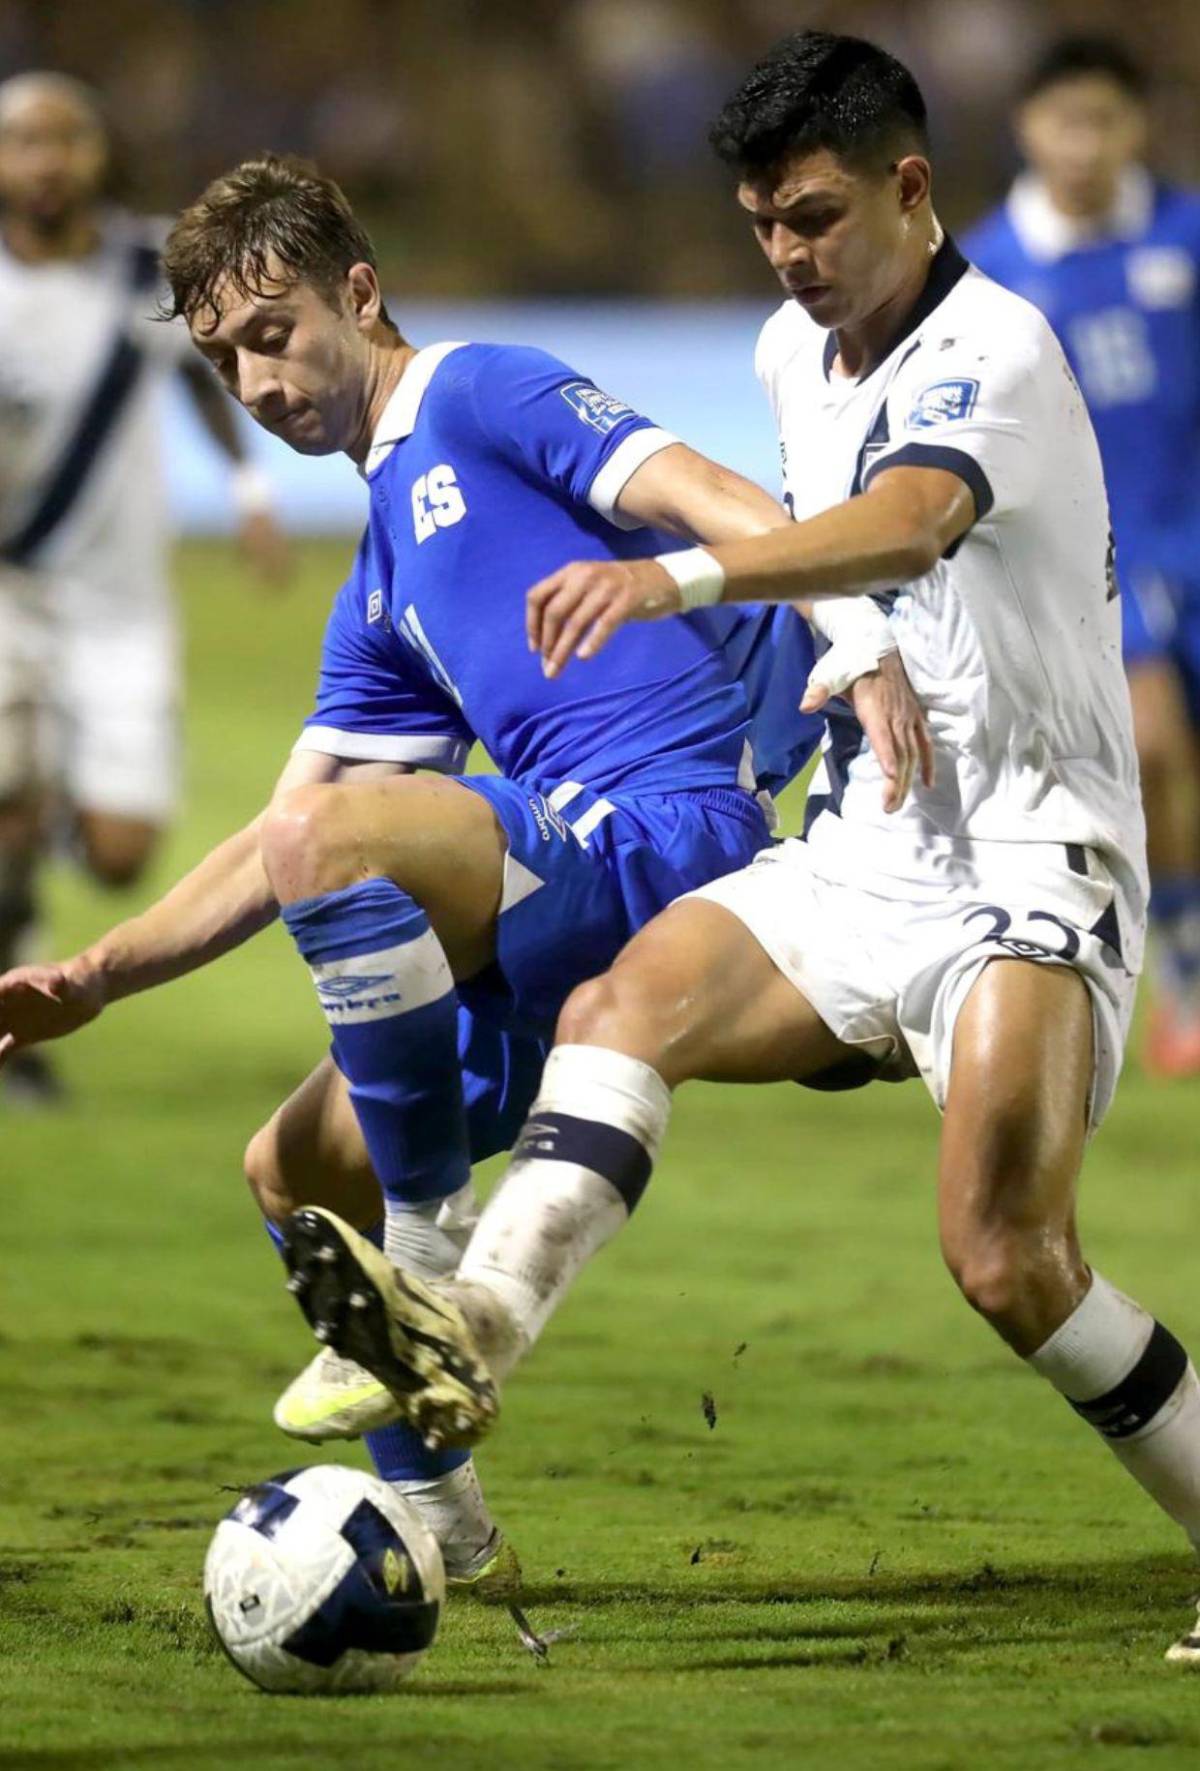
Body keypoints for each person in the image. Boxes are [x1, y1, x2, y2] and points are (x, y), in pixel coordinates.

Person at [282, 32, 1200, 1666]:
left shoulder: (995, 345)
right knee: (619, 1008)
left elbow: (911, 518)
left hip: (1037, 853)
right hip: (862, 847)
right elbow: (846, 562)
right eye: (764, 224)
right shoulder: (793, 350)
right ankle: (475, 1323)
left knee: (1007, 1259)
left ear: (911, 189)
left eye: (818, 217)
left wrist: (682, 583)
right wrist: (857, 661)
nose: (788, 256)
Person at [0, 153, 925, 1596]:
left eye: (273, 332)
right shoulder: (377, 579)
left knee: (343, 870)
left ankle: (427, 1265)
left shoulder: (480, 394)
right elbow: (278, 836)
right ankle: (452, 1537)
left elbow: (718, 492)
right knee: (294, 1169)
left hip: (670, 834)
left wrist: (857, 650)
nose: (254, 382)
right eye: (220, 359)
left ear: (358, 292)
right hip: (555, 884)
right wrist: (99, 972)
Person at [0, 73, 289, 1107]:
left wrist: (250, 485)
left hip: (118, 602)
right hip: (8, 593)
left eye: (64, 139)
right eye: (24, 141)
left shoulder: (150, 265)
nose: (45, 161)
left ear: (95, 153)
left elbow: (200, 378)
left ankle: (55, 817)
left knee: (122, 854)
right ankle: (14, 1031)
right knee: (5, 805)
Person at [964, 38, 1200, 1077]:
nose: (1085, 145)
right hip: (1097, 554)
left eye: (1104, 122)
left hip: (1191, 526)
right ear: (1028, 129)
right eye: (1066, 122)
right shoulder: (990, 266)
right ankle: (1183, 968)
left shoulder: (1188, 237)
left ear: (1136, 127)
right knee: (1151, 745)